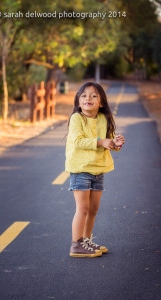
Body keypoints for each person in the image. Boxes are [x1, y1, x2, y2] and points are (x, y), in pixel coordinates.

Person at [65, 82, 125, 257]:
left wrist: (116, 143)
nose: (88, 98)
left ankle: (86, 241)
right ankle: (76, 244)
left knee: (93, 209)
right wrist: (101, 141)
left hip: (98, 170)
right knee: (82, 209)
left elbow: (110, 142)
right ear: (78, 102)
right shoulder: (77, 119)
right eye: (83, 95)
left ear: (101, 102)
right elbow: (78, 141)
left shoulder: (103, 119)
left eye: (93, 95)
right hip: (80, 168)